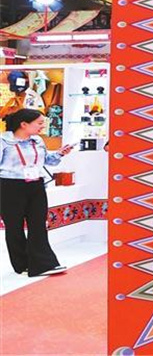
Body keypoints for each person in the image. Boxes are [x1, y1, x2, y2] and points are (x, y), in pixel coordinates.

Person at [0, 109, 74, 276]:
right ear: (24, 124)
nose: (43, 126)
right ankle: (22, 265)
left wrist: (60, 153)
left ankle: (43, 264)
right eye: (39, 123)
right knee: (14, 227)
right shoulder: (4, 141)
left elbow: (47, 161)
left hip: (36, 185)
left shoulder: (38, 141)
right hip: (10, 186)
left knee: (39, 224)